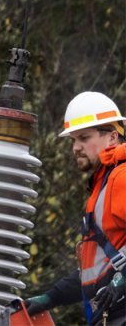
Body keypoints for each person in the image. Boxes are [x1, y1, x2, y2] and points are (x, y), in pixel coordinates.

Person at [24, 91, 126, 325]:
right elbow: (94, 272)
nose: (76, 147)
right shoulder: (102, 187)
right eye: (73, 140)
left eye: (84, 138)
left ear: (112, 137)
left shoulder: (121, 178)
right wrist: (51, 297)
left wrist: (121, 282)